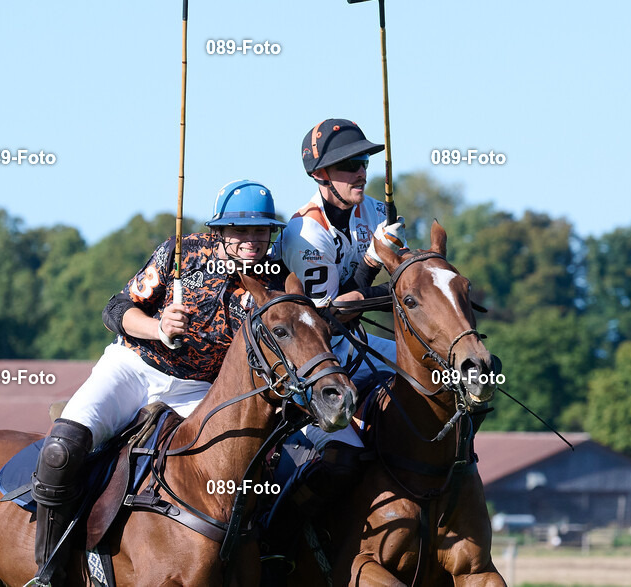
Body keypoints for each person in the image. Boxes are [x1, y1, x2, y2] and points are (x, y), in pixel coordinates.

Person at [32, 179, 286, 577]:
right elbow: (116, 309)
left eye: (261, 230)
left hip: (201, 392)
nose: (253, 239)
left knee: (261, 470)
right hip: (133, 367)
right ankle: (49, 569)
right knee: (61, 449)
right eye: (242, 230)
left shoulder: (275, 281)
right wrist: (159, 327)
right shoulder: (181, 252)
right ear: (219, 231)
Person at [272, 118, 407, 519]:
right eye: (349, 164)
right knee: (340, 460)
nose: (361, 171)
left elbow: (407, 288)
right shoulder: (305, 233)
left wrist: (398, 269)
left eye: (364, 160)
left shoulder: (379, 212)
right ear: (320, 175)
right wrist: (371, 265)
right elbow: (330, 317)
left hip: (353, 344)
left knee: (431, 374)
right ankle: (285, 532)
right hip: (304, 359)